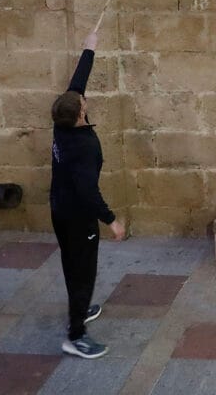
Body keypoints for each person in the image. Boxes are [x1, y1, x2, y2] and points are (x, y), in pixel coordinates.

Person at [50, 30, 125, 359]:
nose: (85, 99)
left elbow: (77, 82)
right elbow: (88, 192)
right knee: (84, 270)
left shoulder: (61, 122)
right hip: (78, 217)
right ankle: (76, 334)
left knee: (72, 264)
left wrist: (89, 48)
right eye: (83, 103)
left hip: (59, 209)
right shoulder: (82, 146)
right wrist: (111, 221)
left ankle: (79, 308)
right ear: (81, 113)